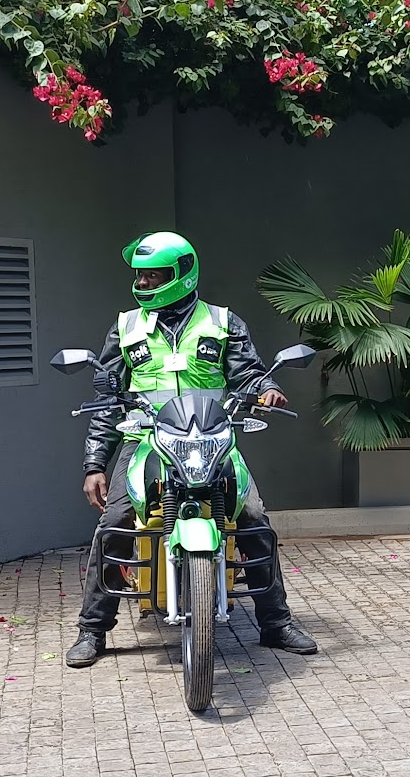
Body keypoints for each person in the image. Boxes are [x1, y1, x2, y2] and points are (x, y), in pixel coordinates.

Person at [67, 231, 318, 667]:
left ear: (182, 274)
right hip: (145, 441)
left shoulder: (222, 322)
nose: (142, 285)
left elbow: (248, 374)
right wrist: (94, 464)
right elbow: (108, 398)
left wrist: (268, 389)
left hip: (212, 439)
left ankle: (276, 623)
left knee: (254, 516)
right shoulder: (126, 327)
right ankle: (93, 628)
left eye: (153, 276)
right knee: (117, 521)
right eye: (140, 277)